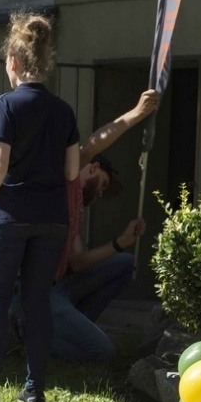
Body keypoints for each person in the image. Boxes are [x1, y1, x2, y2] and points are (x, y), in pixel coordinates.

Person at [0, 11, 79, 402]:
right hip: (53, 216)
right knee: (38, 301)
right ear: (46, 64)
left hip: (9, 215)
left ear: (13, 63)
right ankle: (33, 392)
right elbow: (73, 170)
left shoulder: (6, 104)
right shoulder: (64, 111)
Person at [40, 89, 159, 361]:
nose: (102, 193)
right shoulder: (66, 178)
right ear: (92, 168)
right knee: (103, 352)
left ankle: (75, 326)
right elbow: (92, 145)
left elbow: (79, 262)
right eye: (104, 184)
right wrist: (136, 114)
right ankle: (40, 338)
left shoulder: (77, 207)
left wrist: (120, 243)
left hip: (61, 285)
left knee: (124, 263)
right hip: (40, 289)